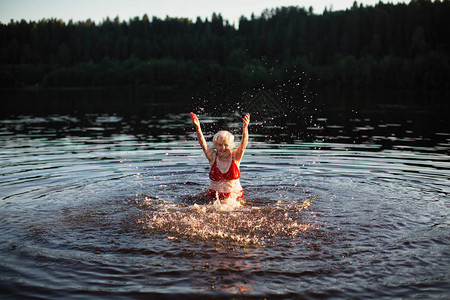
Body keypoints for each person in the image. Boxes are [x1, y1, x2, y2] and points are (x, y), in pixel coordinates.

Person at [190, 112, 250, 201]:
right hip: (213, 197)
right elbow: (203, 144)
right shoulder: (212, 157)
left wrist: (245, 128)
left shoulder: (236, 157)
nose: (223, 148)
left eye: (226, 145)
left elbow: (243, 144)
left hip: (235, 198)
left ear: (230, 145)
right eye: (219, 145)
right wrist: (198, 128)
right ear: (215, 145)